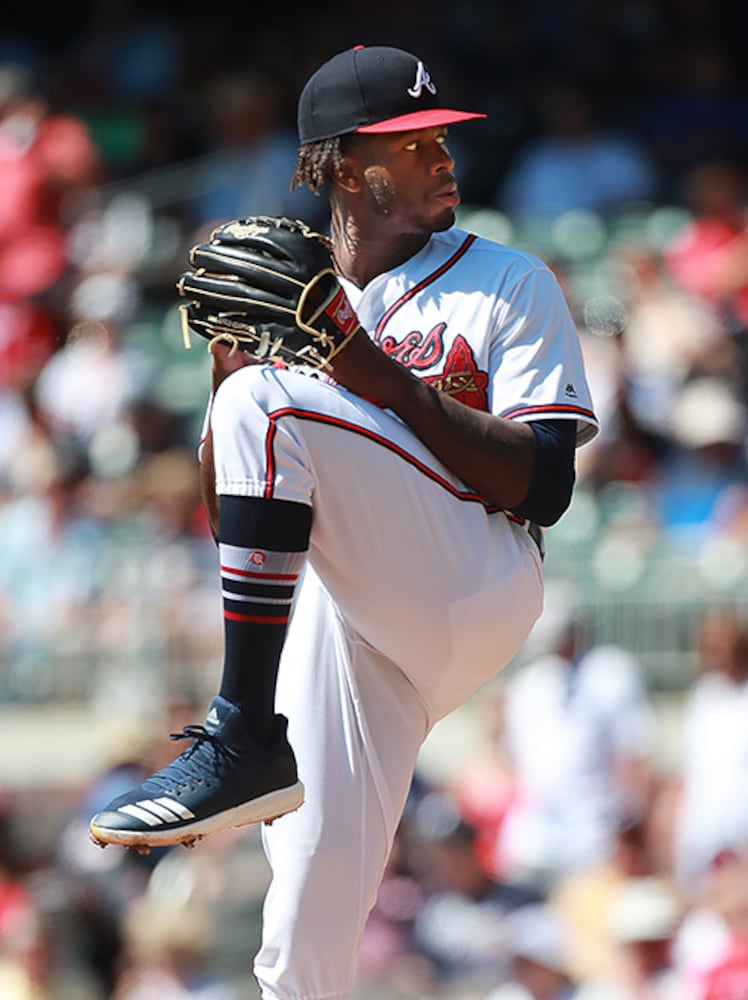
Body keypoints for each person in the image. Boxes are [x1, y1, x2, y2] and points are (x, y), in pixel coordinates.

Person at [90, 44, 598, 998]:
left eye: (441, 133)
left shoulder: (507, 279)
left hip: (475, 574)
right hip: (355, 611)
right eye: (411, 142)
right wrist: (227, 375)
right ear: (344, 164)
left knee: (271, 405)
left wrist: (354, 364)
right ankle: (255, 750)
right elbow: (232, 509)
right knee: (301, 931)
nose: (441, 151)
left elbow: (547, 489)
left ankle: (243, 731)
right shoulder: (292, 298)